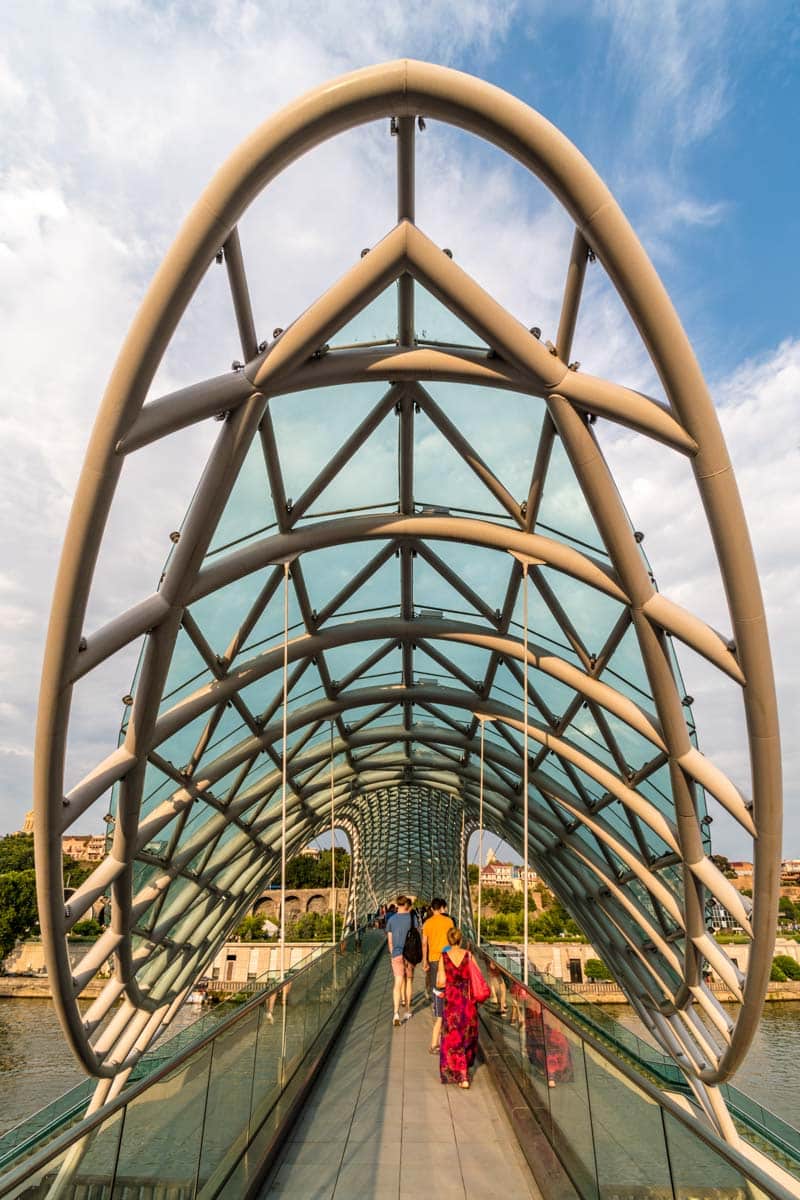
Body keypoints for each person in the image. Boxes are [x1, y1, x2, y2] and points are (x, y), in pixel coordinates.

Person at [437, 926, 478, 1089]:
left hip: (451, 1001)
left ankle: (460, 1074)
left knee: (453, 1036)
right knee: (466, 1034)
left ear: (448, 940)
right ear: (460, 940)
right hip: (466, 999)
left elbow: (440, 981)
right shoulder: (468, 955)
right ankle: (464, 1071)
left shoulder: (444, 957)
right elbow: (478, 975)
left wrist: (448, 982)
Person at [524, 994, 573, 1087]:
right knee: (553, 1047)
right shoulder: (547, 1014)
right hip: (550, 1036)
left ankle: (547, 1073)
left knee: (548, 1048)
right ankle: (550, 1075)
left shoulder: (534, 1012)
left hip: (543, 1034)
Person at [422, 898, 451, 1053]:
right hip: (447, 958)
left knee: (436, 989)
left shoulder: (427, 923)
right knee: (448, 988)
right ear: (441, 908)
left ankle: (438, 1011)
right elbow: (453, 940)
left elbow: (424, 943)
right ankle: (446, 1013)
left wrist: (424, 960)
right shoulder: (448, 922)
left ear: (432, 909)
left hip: (433, 960)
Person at [386, 895, 415, 1026]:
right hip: (410, 954)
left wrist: (393, 954)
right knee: (408, 980)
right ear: (406, 905)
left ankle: (396, 1013)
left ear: (397, 905)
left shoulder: (391, 920)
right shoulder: (412, 918)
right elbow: (417, 935)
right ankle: (408, 1009)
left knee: (397, 983)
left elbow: (390, 941)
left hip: (397, 954)